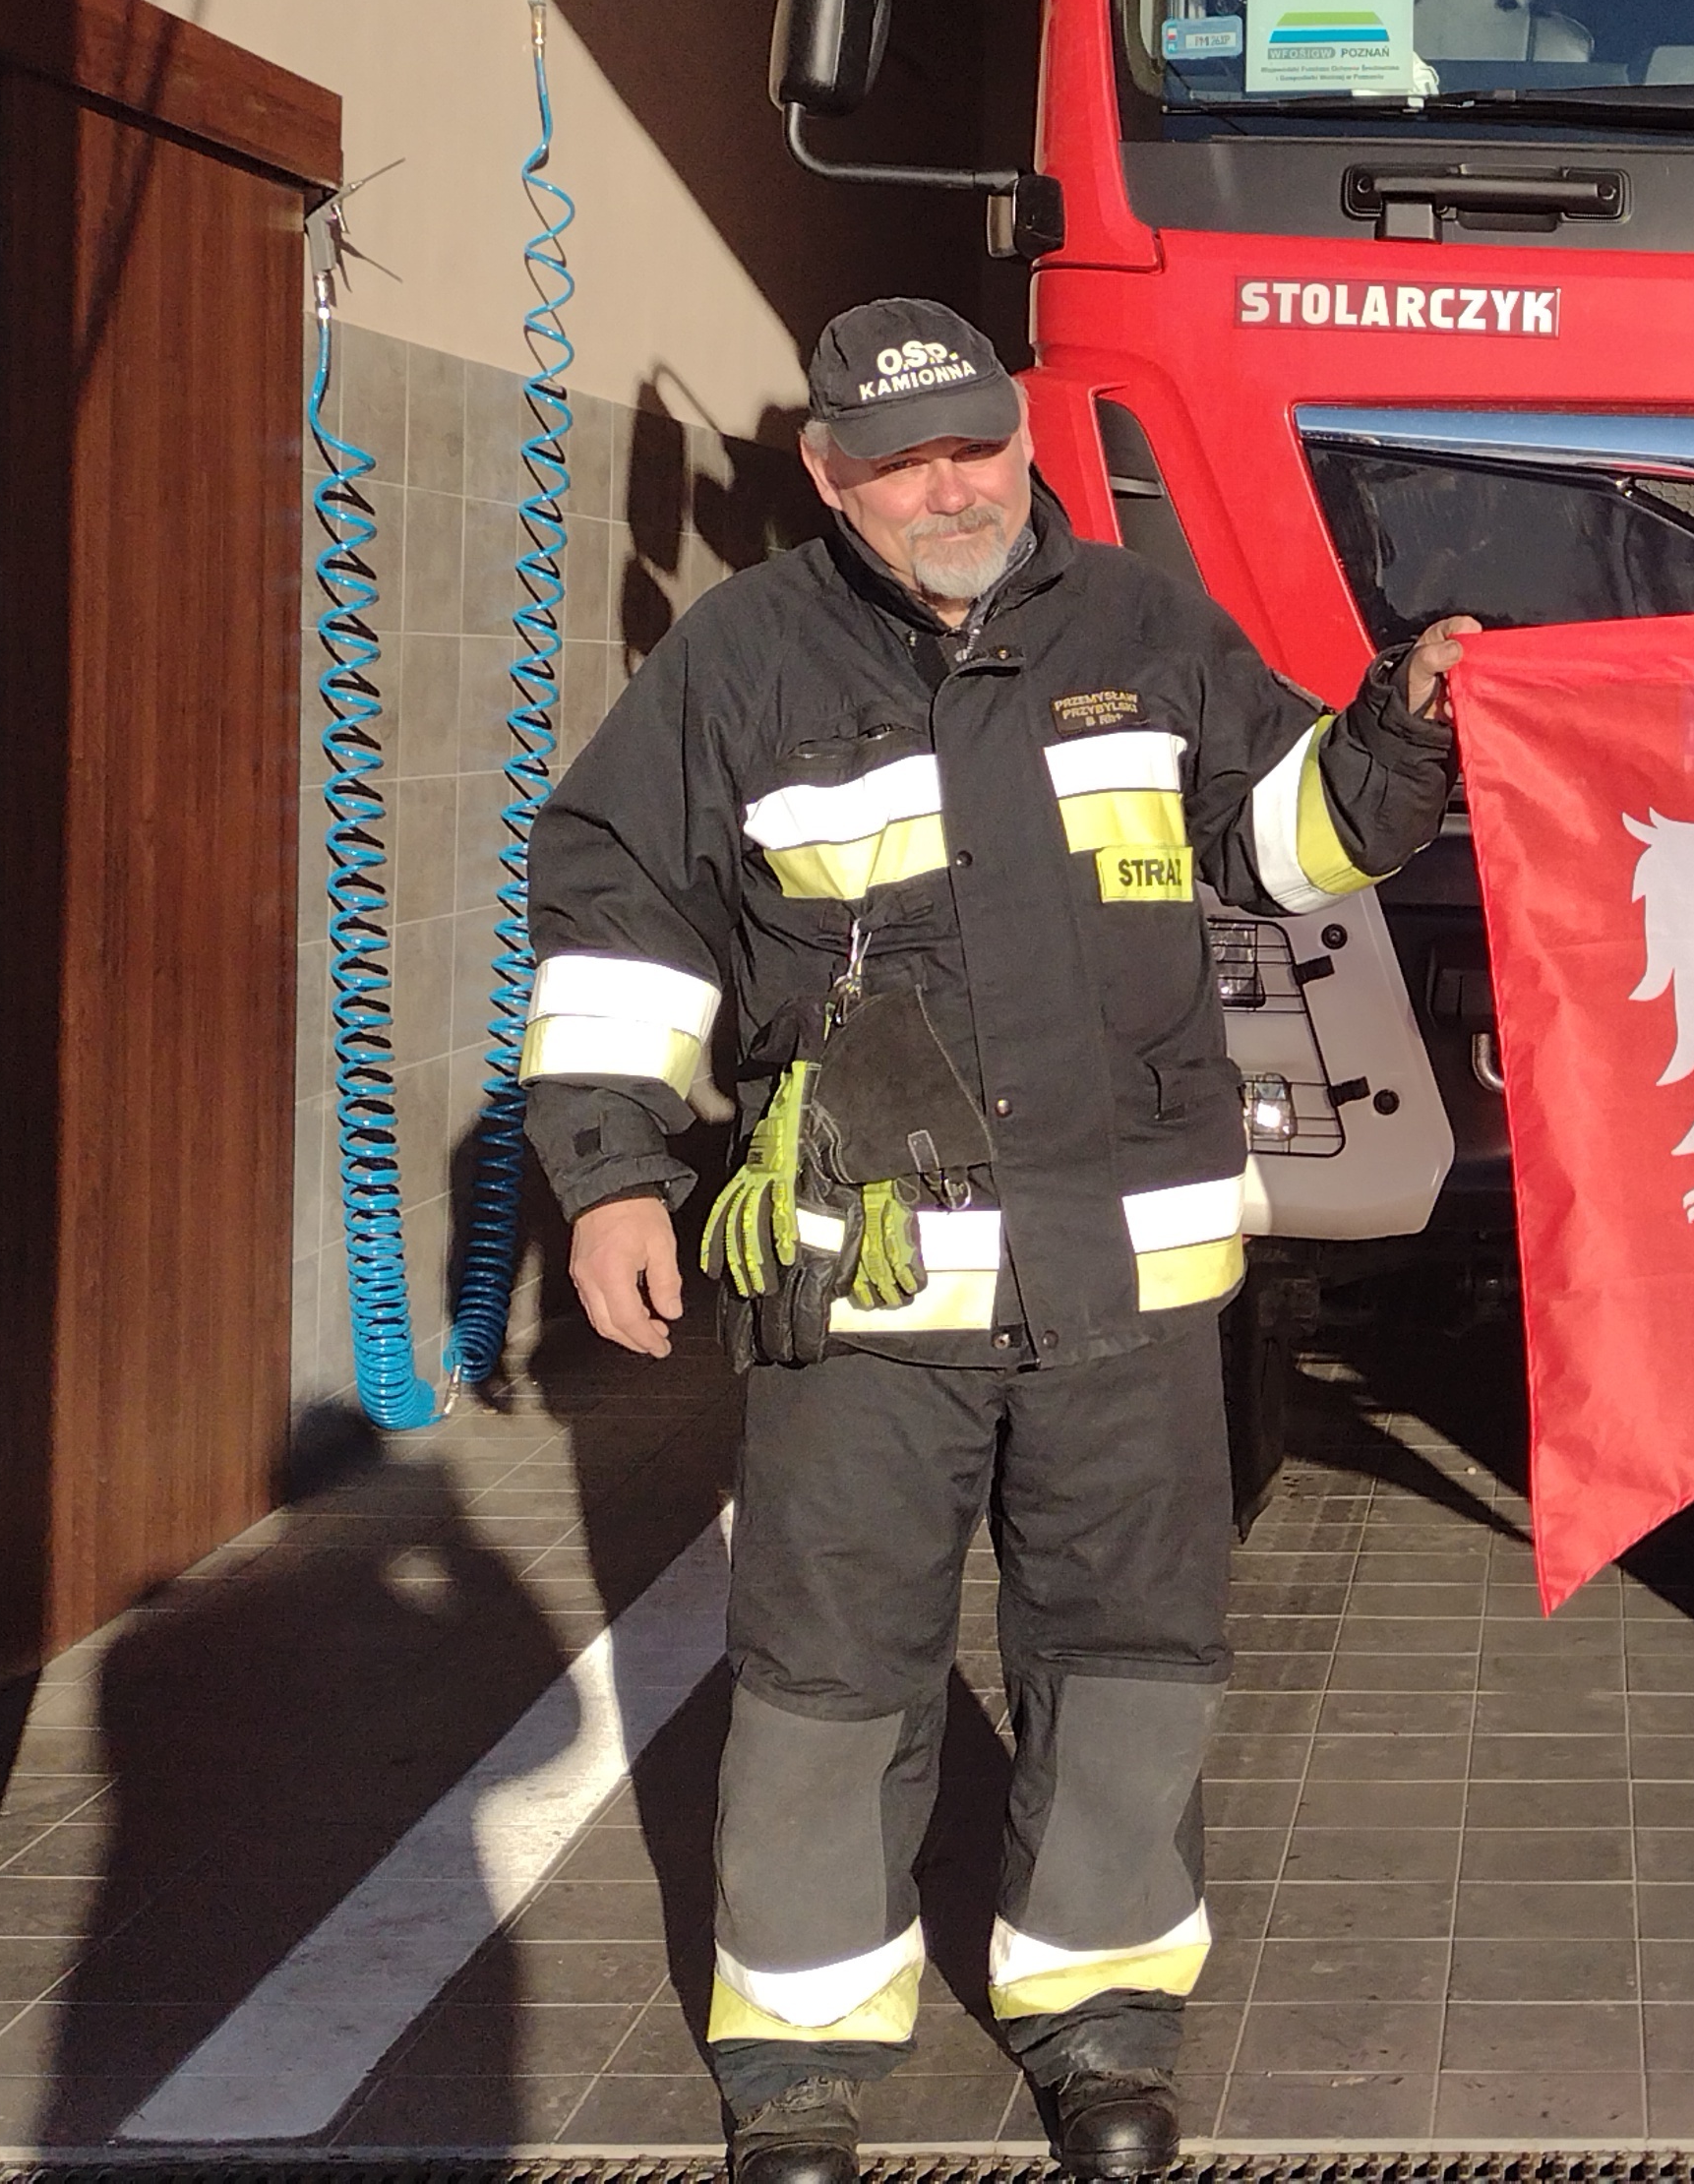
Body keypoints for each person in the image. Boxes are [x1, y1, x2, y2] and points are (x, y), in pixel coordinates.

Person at [523, 298, 1476, 2184]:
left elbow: (1288, 841)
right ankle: (801, 2052)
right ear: (829, 477)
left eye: (976, 447)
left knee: (1129, 1654)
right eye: (903, 465)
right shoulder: (742, 659)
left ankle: (1101, 2019)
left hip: (1130, 1284)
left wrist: (1398, 724)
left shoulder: (1141, 624)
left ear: (1021, 439)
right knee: (828, 1668)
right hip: (866, 1283)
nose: (951, 490)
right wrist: (613, 1172)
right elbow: (623, 910)